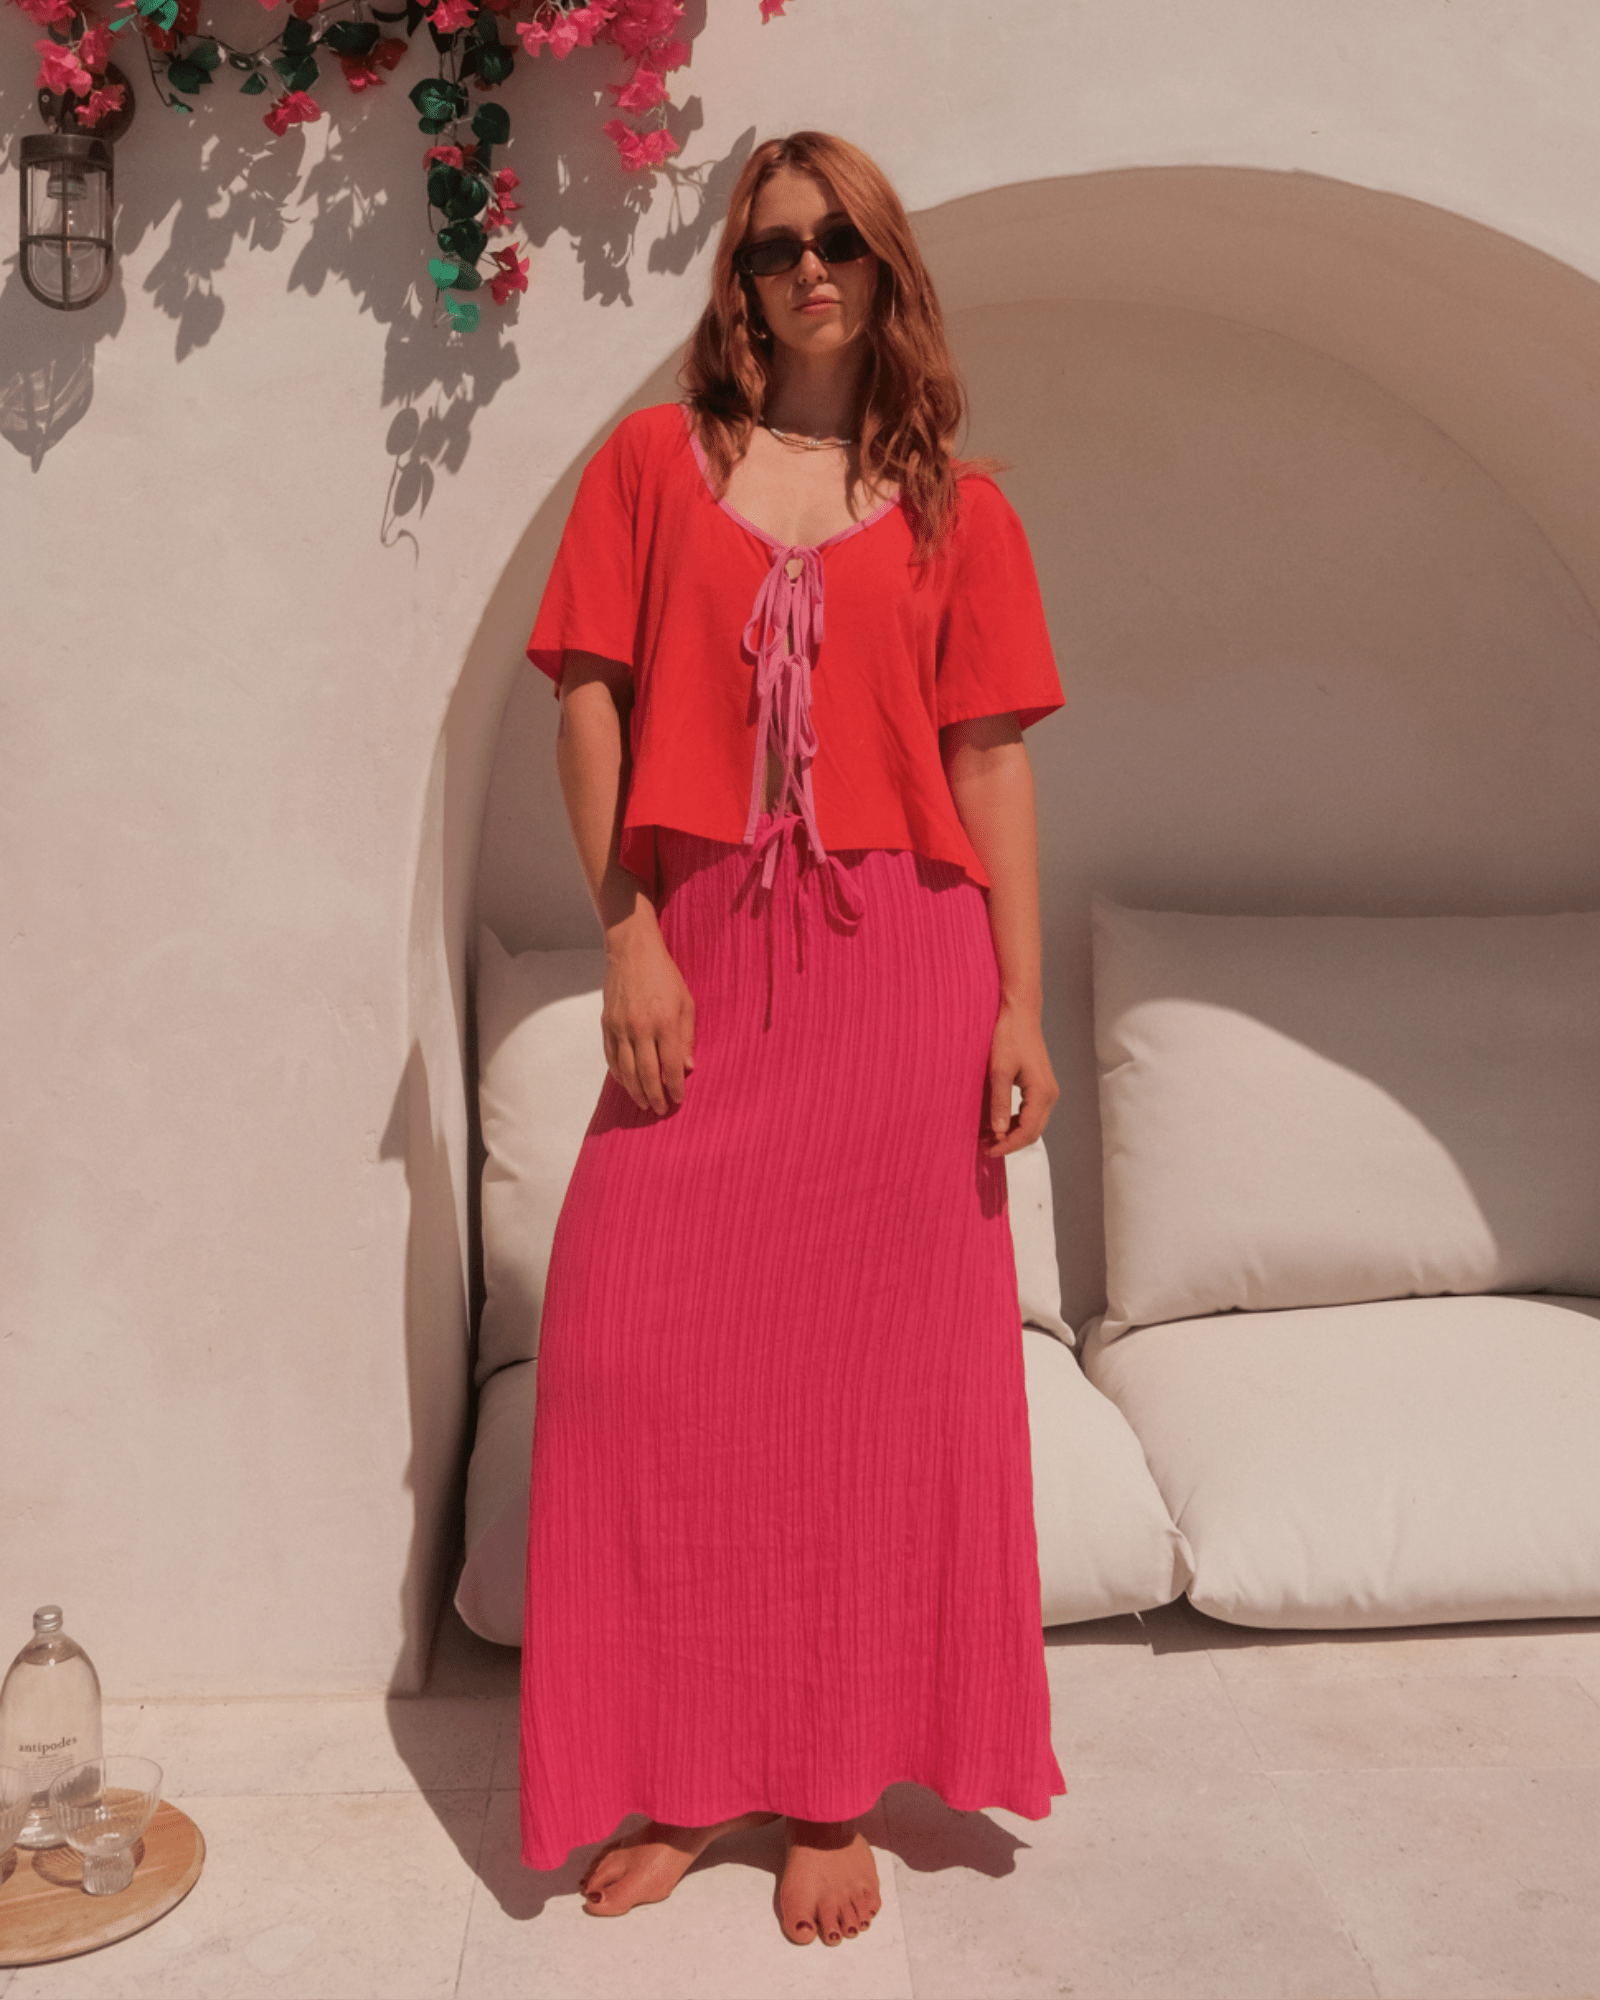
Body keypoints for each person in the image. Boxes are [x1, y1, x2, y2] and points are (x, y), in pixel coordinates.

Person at [519, 129, 1067, 1948]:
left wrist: (1018, 1000)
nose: (808, 267)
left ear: (885, 265)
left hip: (902, 974)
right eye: (773, 247)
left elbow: (990, 763)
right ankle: (686, 1768)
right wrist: (626, 931)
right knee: (632, 1357)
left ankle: (830, 1786)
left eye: (838, 240)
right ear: (737, 280)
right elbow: (589, 703)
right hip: (698, 950)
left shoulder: (961, 514)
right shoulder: (651, 467)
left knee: (866, 1397)